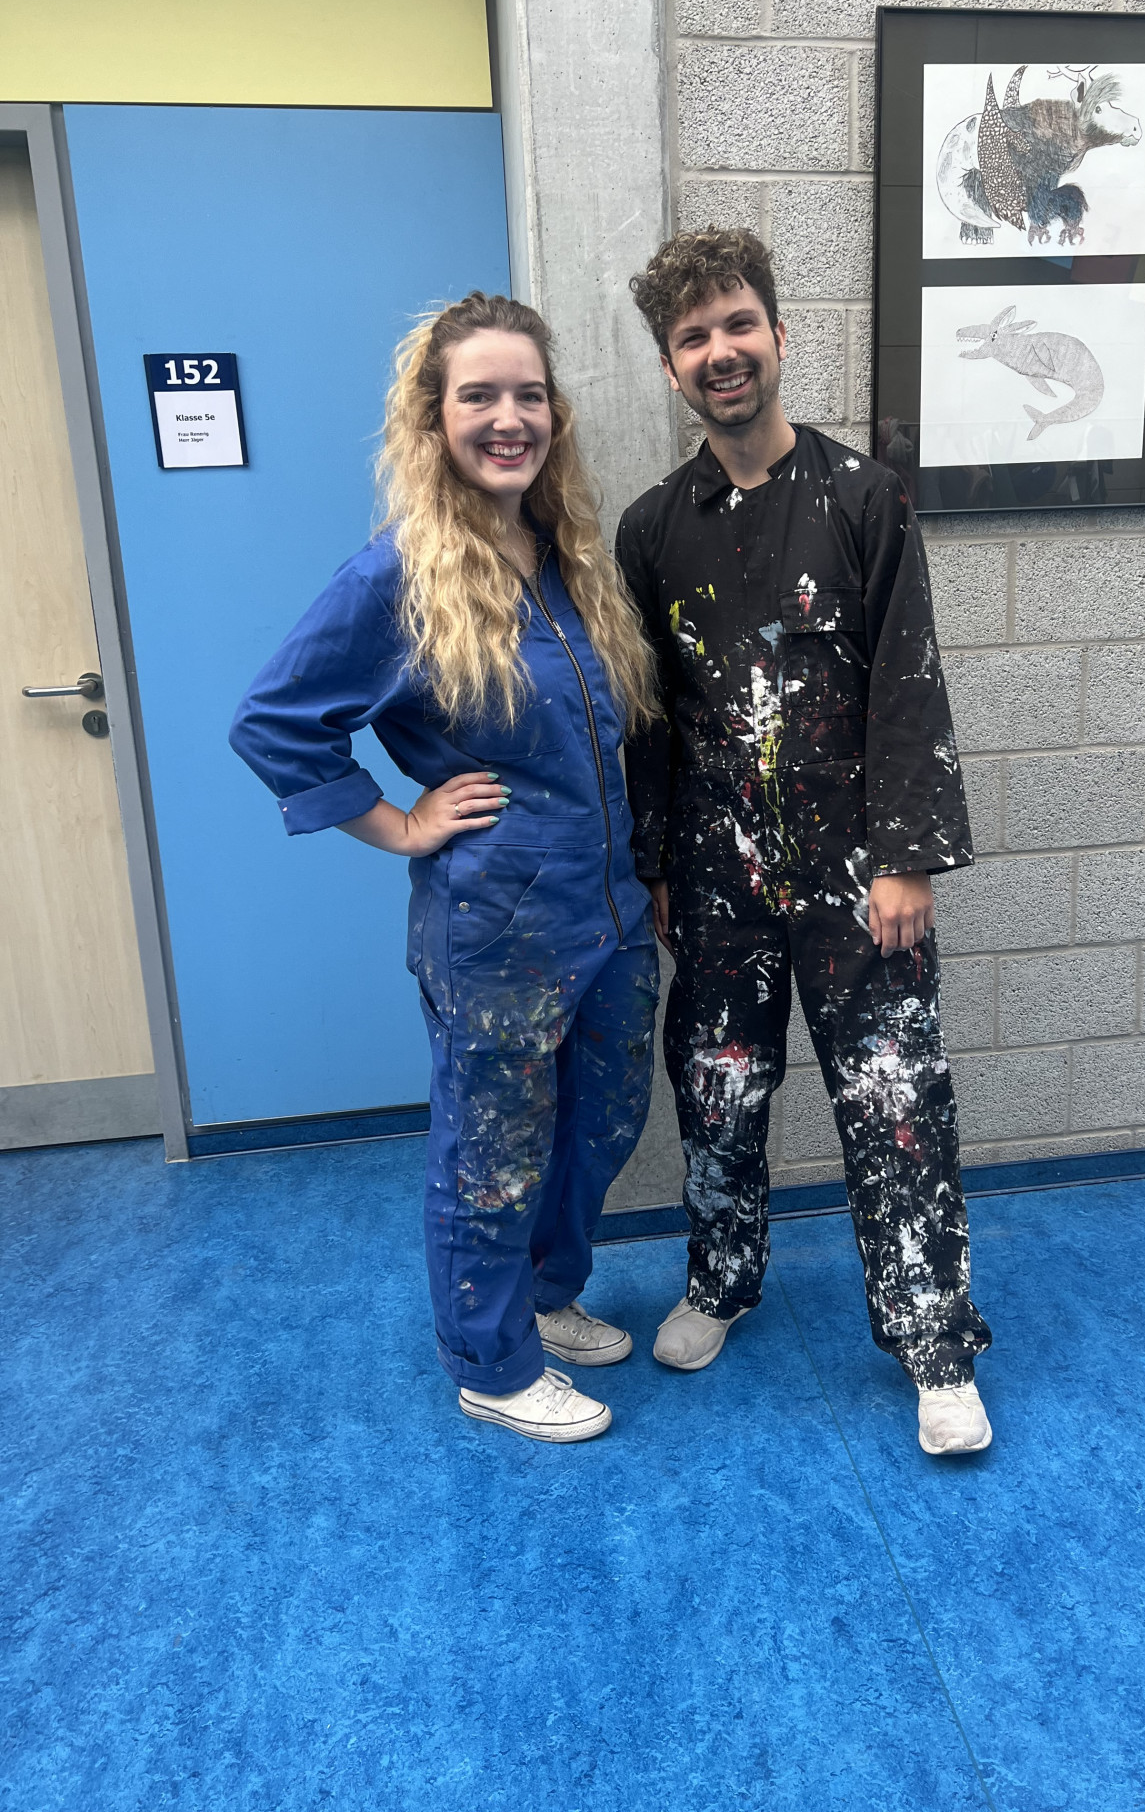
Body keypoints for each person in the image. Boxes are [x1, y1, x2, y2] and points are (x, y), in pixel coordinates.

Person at [230, 293, 659, 1445]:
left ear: (555, 415)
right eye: (479, 396)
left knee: (605, 1122)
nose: (508, 418)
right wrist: (398, 824)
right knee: (494, 1152)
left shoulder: (567, 559)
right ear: (434, 418)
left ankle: (546, 1296)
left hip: (610, 916)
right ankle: (491, 1360)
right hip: (499, 929)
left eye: (529, 395)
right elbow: (274, 721)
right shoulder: (399, 576)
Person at [616, 229, 994, 1456]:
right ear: (671, 367)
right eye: (693, 338)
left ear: (778, 334)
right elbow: (650, 719)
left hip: (857, 874)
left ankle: (935, 1344)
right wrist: (657, 861)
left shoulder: (866, 498)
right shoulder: (651, 529)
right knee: (719, 1087)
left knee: (894, 1096)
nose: (720, 352)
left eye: (738, 325)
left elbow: (908, 682)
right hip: (717, 875)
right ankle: (721, 1280)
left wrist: (908, 857)